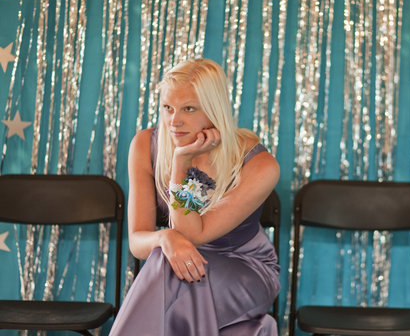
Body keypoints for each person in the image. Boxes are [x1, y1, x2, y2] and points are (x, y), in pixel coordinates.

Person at [109, 58, 281, 336]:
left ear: (214, 110)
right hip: (179, 263)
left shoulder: (259, 164)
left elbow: (193, 233)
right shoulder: (144, 144)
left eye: (189, 108)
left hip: (244, 268)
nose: (174, 121)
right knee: (165, 258)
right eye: (168, 108)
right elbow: (138, 242)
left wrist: (180, 163)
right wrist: (166, 237)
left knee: (173, 271)